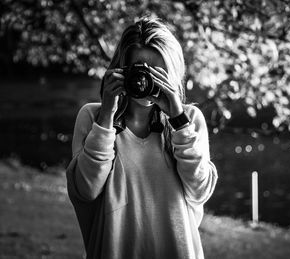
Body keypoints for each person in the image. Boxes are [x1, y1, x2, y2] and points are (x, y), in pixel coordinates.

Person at [65, 16, 218, 259]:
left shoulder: (189, 120)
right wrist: (107, 115)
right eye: (139, 70)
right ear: (120, 68)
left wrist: (178, 120)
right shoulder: (93, 116)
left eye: (158, 73)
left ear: (173, 75)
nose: (146, 81)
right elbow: (85, 190)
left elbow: (199, 192)